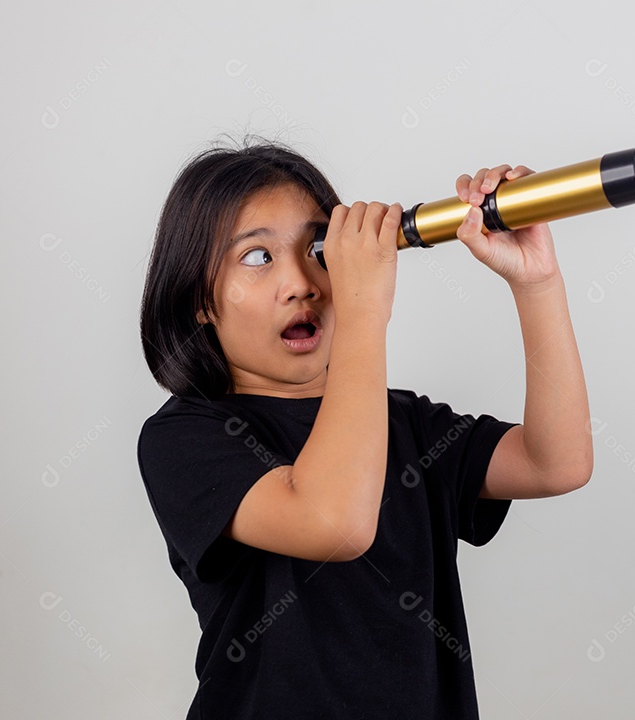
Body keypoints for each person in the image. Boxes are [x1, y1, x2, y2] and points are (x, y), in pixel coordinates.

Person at [136, 137, 593, 719]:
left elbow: (558, 461)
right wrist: (363, 311)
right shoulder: (184, 438)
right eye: (257, 257)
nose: (301, 282)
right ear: (199, 298)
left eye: (320, 249)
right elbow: (334, 523)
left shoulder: (405, 424)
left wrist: (537, 283)